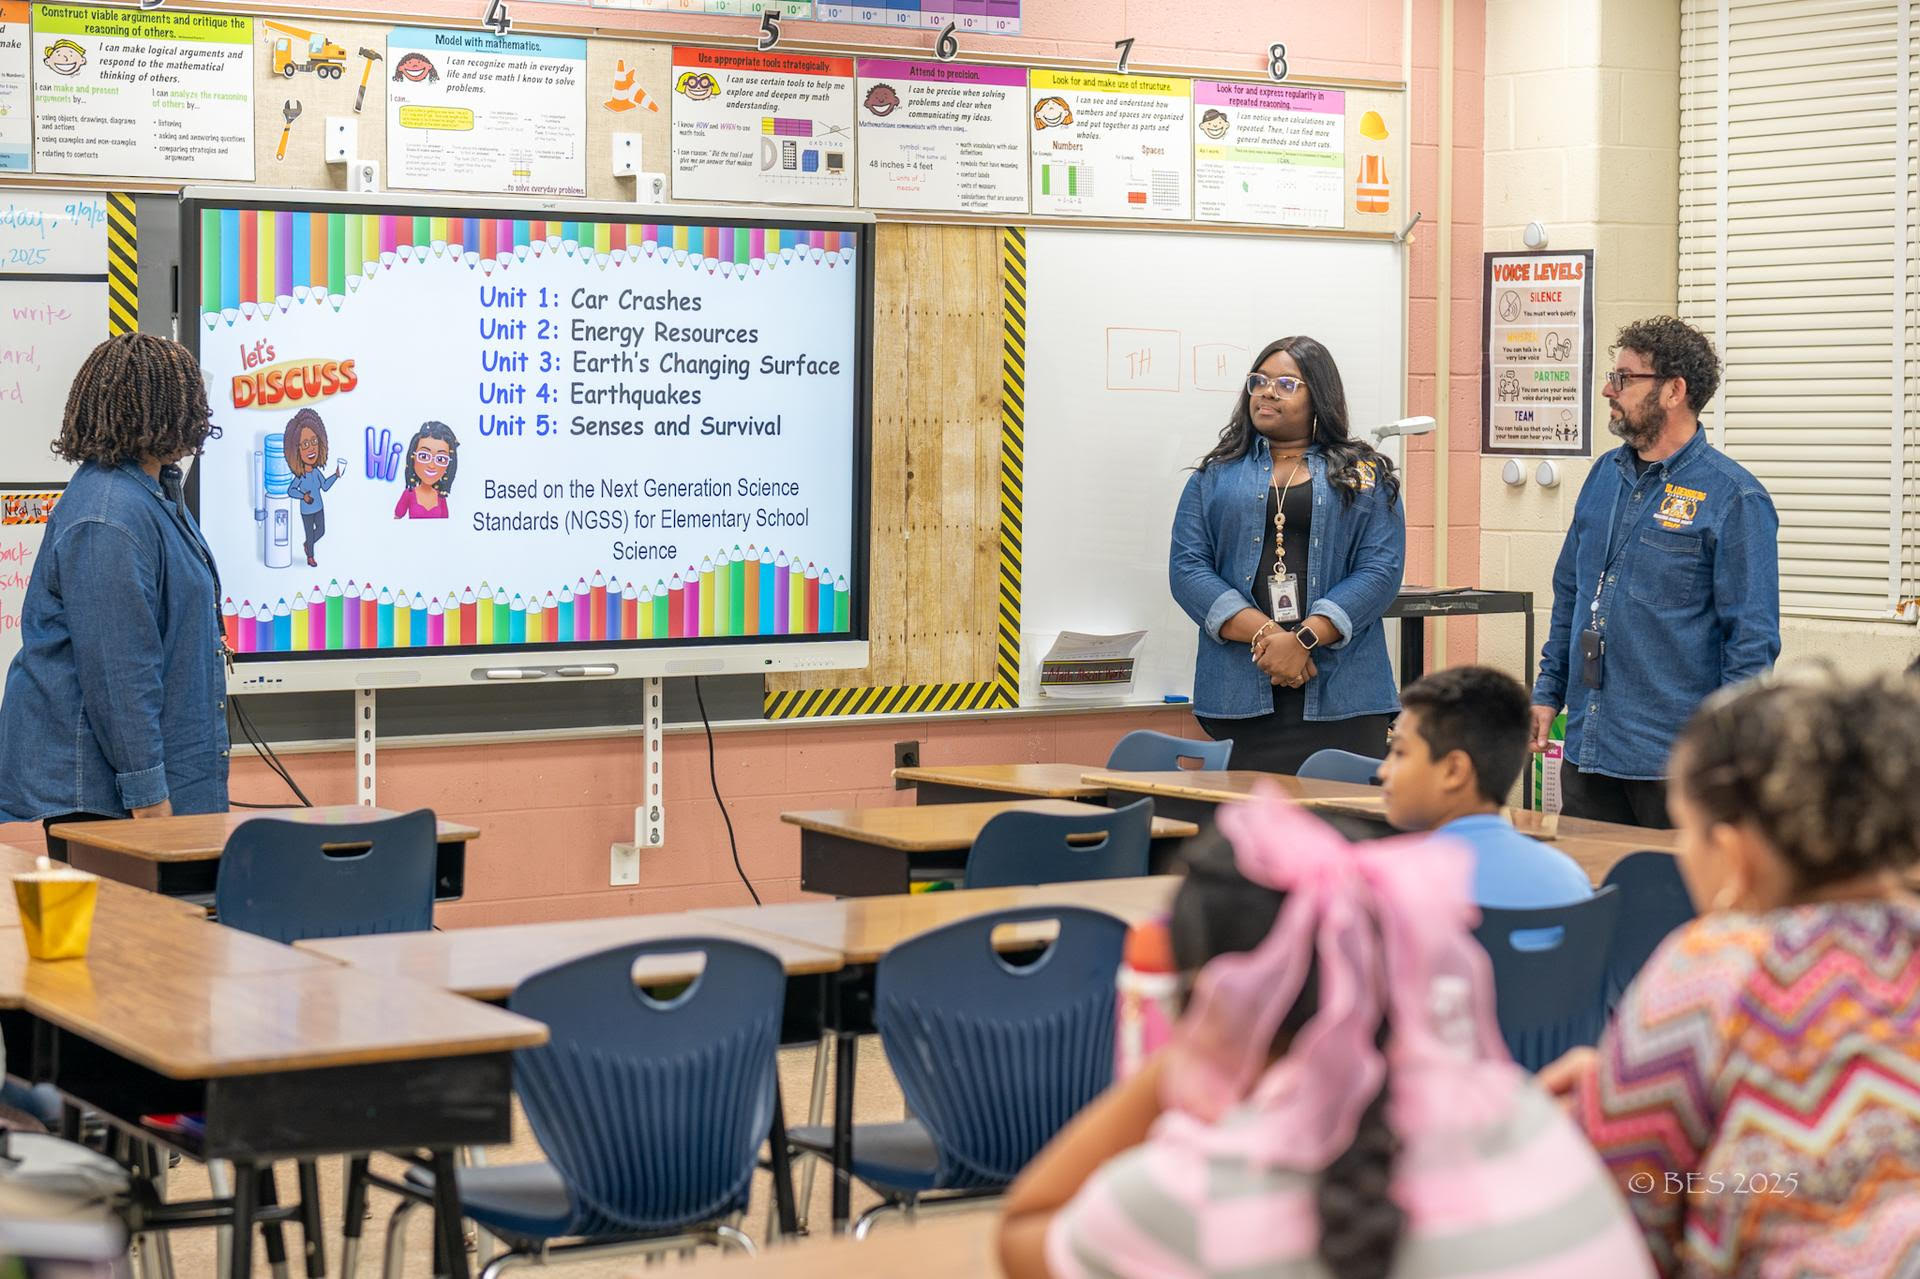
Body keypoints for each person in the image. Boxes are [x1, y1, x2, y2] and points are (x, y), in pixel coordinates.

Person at [999, 791, 1652, 1279]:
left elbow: (1024, 1228)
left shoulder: (1191, 1192)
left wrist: (1197, 1040)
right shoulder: (1533, 1122)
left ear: (1213, 996)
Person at [1543, 671, 1920, 1277]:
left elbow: (1627, 1220)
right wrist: (1643, 1077)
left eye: (1685, 830)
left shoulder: (1714, 965)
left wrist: (1603, 1113)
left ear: (1737, 854)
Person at [1529, 317, 1779, 828]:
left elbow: (1751, 644)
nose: (1607, 390)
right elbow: (1571, 593)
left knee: (1669, 904)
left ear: (1674, 390)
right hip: (1588, 746)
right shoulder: (1603, 475)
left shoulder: (1735, 498)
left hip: (1676, 765)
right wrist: (1547, 691)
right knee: (1592, 896)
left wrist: (1722, 756)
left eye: (1623, 378)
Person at [0, 335, 230, 858]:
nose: (199, 417)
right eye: (189, 404)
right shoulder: (110, 514)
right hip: (114, 802)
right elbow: (119, 674)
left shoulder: (152, 494)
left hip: (141, 789)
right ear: (161, 412)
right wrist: (150, 804)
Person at [1170, 337, 1405, 773]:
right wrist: (1269, 639)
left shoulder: (1363, 473)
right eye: (1258, 381)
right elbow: (1188, 570)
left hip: (1344, 696)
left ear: (1320, 396)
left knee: (1344, 833)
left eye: (1285, 383)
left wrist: (1304, 640)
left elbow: (1380, 571)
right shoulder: (1214, 477)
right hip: (1241, 694)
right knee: (1248, 836)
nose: (1267, 391)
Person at [1379, 665, 1591, 913]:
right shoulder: (1571, 880)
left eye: (1400, 752)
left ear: (1454, 771)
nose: (1383, 771)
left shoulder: (1386, 883)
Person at [282, 407, 344, 567]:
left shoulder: (316, 472)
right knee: (310, 534)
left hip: (318, 507)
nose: (311, 448)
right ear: (296, 450)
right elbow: (291, 490)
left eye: (314, 442)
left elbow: (324, 486)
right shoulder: (300, 476)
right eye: (305, 444)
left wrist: (335, 476)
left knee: (321, 531)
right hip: (306, 511)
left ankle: (307, 545)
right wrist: (303, 496)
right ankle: (310, 555)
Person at [393, 421, 458, 519]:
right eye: (424, 456)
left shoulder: (441, 497)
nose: (431, 465)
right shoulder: (408, 494)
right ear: (413, 457)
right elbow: (396, 520)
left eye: (441, 459)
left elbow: (445, 526)